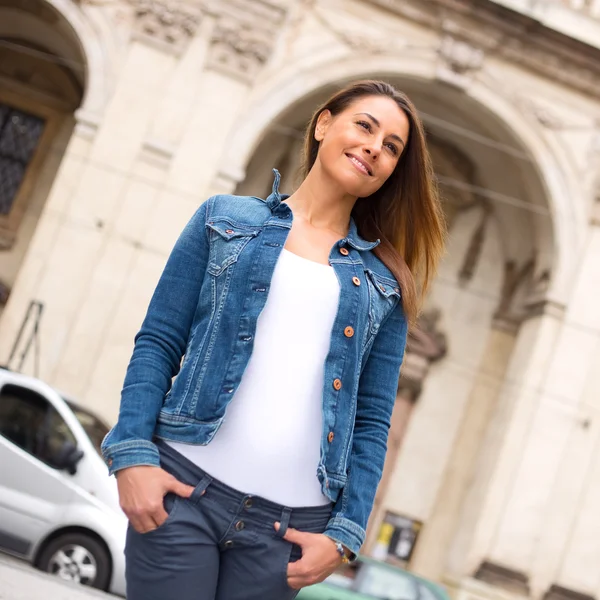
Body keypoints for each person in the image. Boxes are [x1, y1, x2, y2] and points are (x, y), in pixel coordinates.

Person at [101, 79, 446, 600]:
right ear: (324, 123)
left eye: (392, 148)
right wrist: (132, 456)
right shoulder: (223, 219)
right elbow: (159, 341)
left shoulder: (386, 284)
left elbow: (374, 419)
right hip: (182, 494)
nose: (375, 147)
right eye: (366, 127)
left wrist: (345, 534)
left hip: (287, 534)